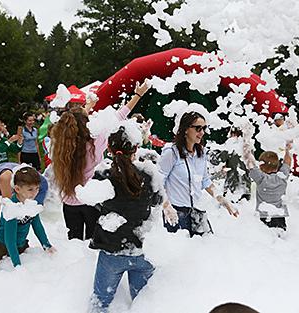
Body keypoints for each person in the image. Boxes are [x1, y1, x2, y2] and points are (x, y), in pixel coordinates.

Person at [51, 81, 149, 240]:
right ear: (87, 125)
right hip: (92, 202)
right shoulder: (94, 144)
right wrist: (138, 95)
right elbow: (118, 116)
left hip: (69, 203)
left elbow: (74, 121)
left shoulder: (59, 145)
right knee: (93, 243)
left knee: (74, 244)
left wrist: (88, 106)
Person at [88, 127, 161, 312]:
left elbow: (94, 202)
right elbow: (157, 201)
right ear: (135, 149)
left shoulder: (103, 176)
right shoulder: (149, 175)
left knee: (100, 304)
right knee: (144, 305)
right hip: (141, 250)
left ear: (109, 150)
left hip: (112, 251)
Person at [159, 111, 238, 237]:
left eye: (204, 128)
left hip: (197, 211)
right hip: (175, 212)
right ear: (185, 129)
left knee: (207, 248)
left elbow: (205, 181)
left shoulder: (201, 153)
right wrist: (166, 206)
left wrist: (222, 200)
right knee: (181, 253)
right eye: (198, 128)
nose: (202, 132)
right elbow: (158, 183)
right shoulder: (171, 153)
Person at [0, 165, 55, 267]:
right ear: (17, 189)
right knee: (7, 273)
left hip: (20, 242)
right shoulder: (12, 208)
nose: (35, 193)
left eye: (37, 188)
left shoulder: (31, 203)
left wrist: (47, 245)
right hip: (3, 245)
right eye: (30, 189)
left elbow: (37, 226)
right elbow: (9, 240)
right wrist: (17, 266)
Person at [243, 142, 292, 231]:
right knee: (280, 239)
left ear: (261, 167)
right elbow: (287, 162)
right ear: (277, 166)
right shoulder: (282, 177)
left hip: (264, 216)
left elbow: (250, 163)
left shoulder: (260, 178)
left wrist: (247, 148)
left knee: (266, 241)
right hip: (279, 217)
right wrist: (288, 150)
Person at [210, 127, 252, 202]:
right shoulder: (249, 147)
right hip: (246, 188)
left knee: (229, 211)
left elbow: (216, 160)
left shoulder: (231, 146)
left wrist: (210, 153)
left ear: (233, 133)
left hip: (232, 188)